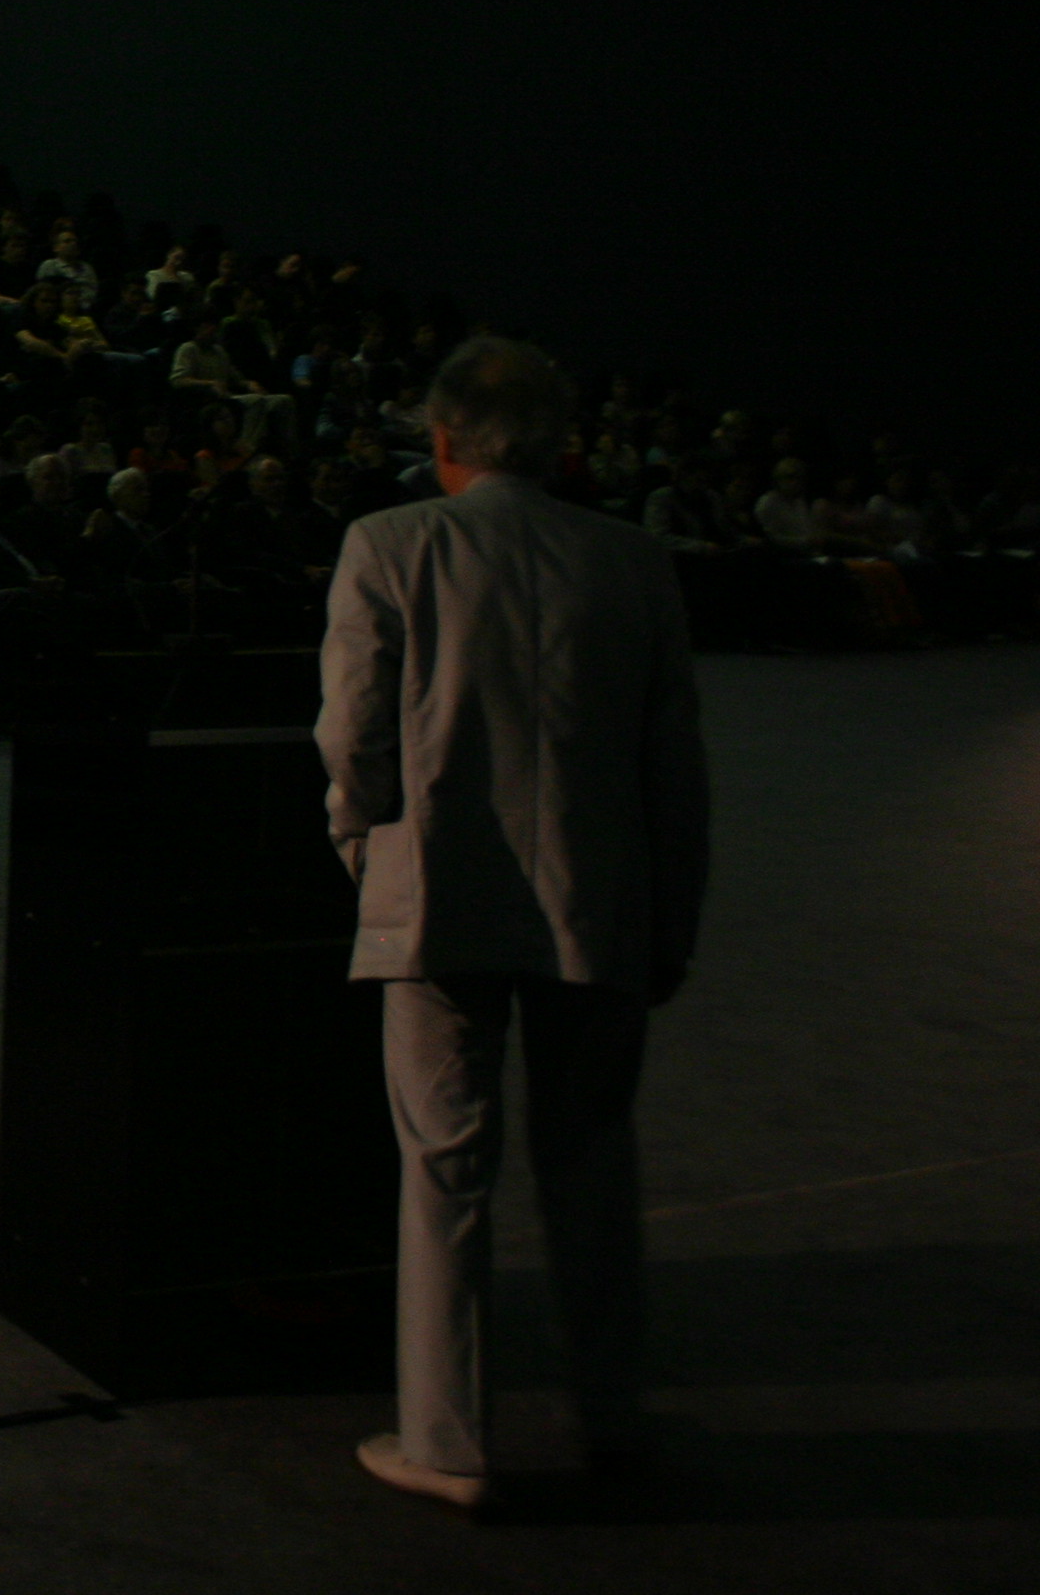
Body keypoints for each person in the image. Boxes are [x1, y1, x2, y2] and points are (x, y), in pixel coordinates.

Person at [316, 338, 708, 1511]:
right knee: (594, 1160)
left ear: (443, 438)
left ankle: (447, 1440)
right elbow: (674, 764)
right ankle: (614, 1415)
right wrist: (670, 915)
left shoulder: (389, 542)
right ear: (559, 442)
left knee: (445, 1168)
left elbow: (352, 734)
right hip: (601, 900)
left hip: (439, 899)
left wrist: (366, 851)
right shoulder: (635, 559)